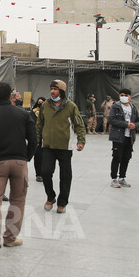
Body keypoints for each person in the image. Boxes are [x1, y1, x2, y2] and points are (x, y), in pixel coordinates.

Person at [0, 82, 37, 251]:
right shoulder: (24, 114)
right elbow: (34, 140)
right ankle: (10, 238)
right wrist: (27, 157)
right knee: (18, 200)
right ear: (11, 95)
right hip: (19, 162)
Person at [36, 79, 86, 215]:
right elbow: (39, 124)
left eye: (55, 89)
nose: (52, 91)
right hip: (48, 146)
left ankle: (62, 202)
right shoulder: (45, 105)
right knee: (45, 172)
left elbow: (79, 125)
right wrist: (37, 139)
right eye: (51, 89)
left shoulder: (71, 106)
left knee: (65, 176)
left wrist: (81, 141)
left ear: (62, 91)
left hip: (65, 147)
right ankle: (50, 197)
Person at [108, 87, 139, 188]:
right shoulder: (116, 106)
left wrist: (135, 125)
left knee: (126, 157)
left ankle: (122, 178)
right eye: (121, 95)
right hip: (118, 136)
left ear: (130, 97)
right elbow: (111, 120)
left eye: (125, 95)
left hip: (129, 136)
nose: (123, 97)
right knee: (117, 157)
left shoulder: (133, 107)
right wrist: (126, 124)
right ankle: (114, 178)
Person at [31, 97, 46, 183]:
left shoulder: (47, 112)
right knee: (38, 156)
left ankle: (45, 173)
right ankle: (38, 174)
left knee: (46, 156)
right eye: (39, 102)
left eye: (42, 102)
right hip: (37, 136)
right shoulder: (33, 113)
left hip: (46, 136)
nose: (40, 103)